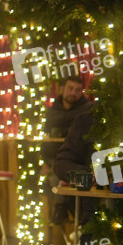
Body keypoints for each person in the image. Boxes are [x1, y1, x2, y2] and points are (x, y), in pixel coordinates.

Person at [42, 76, 93, 228]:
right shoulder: (52, 111)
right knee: (45, 180)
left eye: (78, 90)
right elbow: (45, 138)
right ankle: (65, 211)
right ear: (62, 89)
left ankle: (64, 209)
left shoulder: (87, 110)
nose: (73, 93)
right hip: (53, 157)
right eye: (70, 89)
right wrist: (44, 161)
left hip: (76, 157)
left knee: (56, 176)